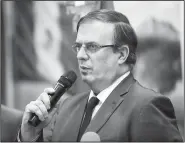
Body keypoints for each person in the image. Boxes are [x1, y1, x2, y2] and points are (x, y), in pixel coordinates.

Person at [17, 9, 183, 142]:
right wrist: (30, 137)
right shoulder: (66, 107)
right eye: (78, 46)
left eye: (92, 47)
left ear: (121, 54)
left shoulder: (148, 106)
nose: (80, 55)